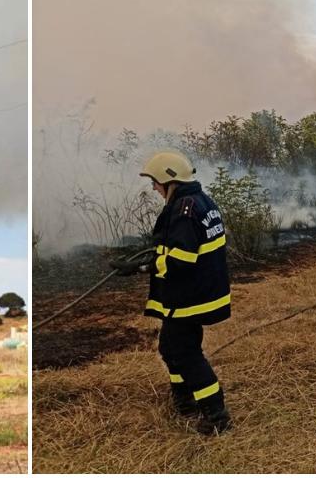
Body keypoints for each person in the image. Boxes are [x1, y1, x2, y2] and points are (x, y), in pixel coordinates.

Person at [111, 150, 232, 435]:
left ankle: (216, 415)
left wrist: (142, 268)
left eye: (155, 182)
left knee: (185, 353)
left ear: (170, 180)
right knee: (170, 347)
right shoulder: (199, 201)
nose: (153, 187)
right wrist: (141, 259)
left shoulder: (184, 209)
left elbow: (181, 260)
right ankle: (185, 399)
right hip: (196, 292)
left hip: (190, 296)